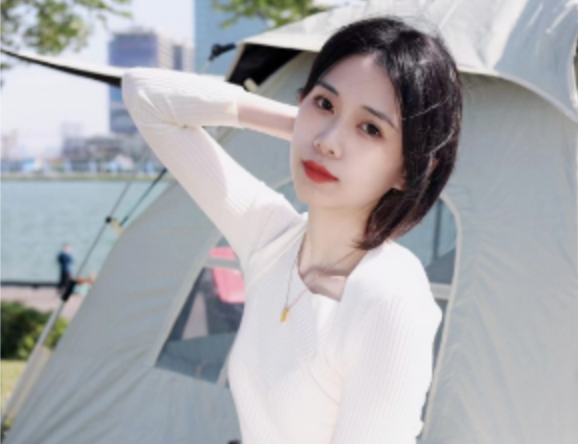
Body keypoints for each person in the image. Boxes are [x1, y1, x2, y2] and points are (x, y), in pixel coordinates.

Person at [122, 15, 462, 444]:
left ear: (410, 169)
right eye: (325, 103)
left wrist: (320, 124)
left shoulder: (388, 295)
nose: (328, 141)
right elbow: (145, 95)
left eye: (370, 128)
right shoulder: (273, 239)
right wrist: (303, 124)